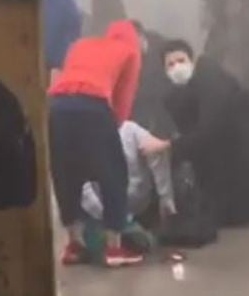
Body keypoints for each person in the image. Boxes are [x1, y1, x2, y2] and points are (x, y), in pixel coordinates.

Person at [143, 39, 249, 228]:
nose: (177, 67)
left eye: (181, 60)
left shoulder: (209, 78)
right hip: (224, 162)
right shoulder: (176, 95)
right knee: (227, 214)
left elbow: (209, 129)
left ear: (191, 61)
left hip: (245, 152)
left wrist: (170, 146)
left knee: (238, 207)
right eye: (170, 64)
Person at [48, 19, 144, 267]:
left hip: (57, 106)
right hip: (93, 106)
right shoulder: (129, 51)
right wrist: (113, 129)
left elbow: (66, 73)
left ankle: (74, 245)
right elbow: (124, 98)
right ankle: (114, 248)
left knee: (66, 174)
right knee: (114, 174)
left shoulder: (80, 44)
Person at [81, 120, 176, 225]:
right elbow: (80, 179)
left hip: (137, 207)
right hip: (102, 209)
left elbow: (155, 150)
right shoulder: (87, 134)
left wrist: (165, 196)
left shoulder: (130, 130)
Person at [130, 21, 177, 138]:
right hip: (142, 110)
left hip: (166, 104)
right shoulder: (129, 57)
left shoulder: (163, 48)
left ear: (141, 35)